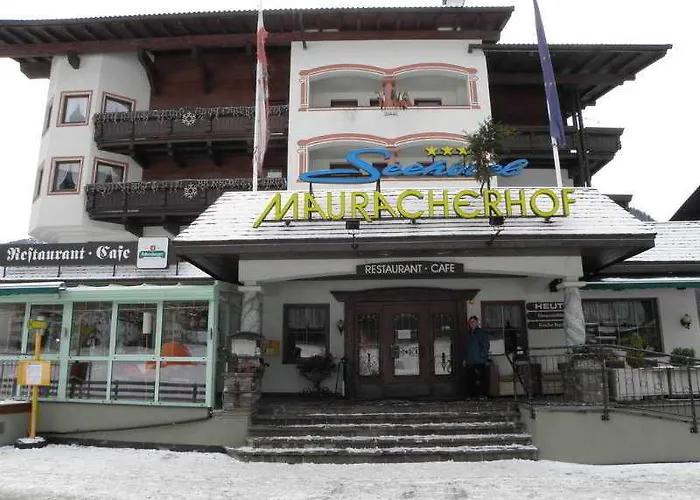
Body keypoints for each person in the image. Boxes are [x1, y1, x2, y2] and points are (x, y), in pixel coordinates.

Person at [463, 316, 491, 399]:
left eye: (473, 322)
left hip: (479, 360)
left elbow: (486, 346)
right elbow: (465, 347)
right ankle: (472, 395)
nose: (472, 323)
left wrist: (482, 356)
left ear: (477, 322)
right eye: (470, 322)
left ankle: (482, 395)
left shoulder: (481, 333)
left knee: (481, 378)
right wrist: (465, 359)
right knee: (470, 379)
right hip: (470, 360)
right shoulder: (468, 334)